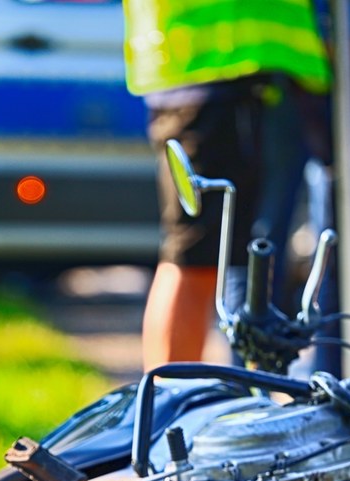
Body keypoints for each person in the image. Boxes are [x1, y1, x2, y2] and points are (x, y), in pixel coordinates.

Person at [122, 0, 331, 371]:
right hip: (212, 70)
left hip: (235, 73)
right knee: (195, 258)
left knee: (217, 258)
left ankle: (176, 404)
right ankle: (167, 408)